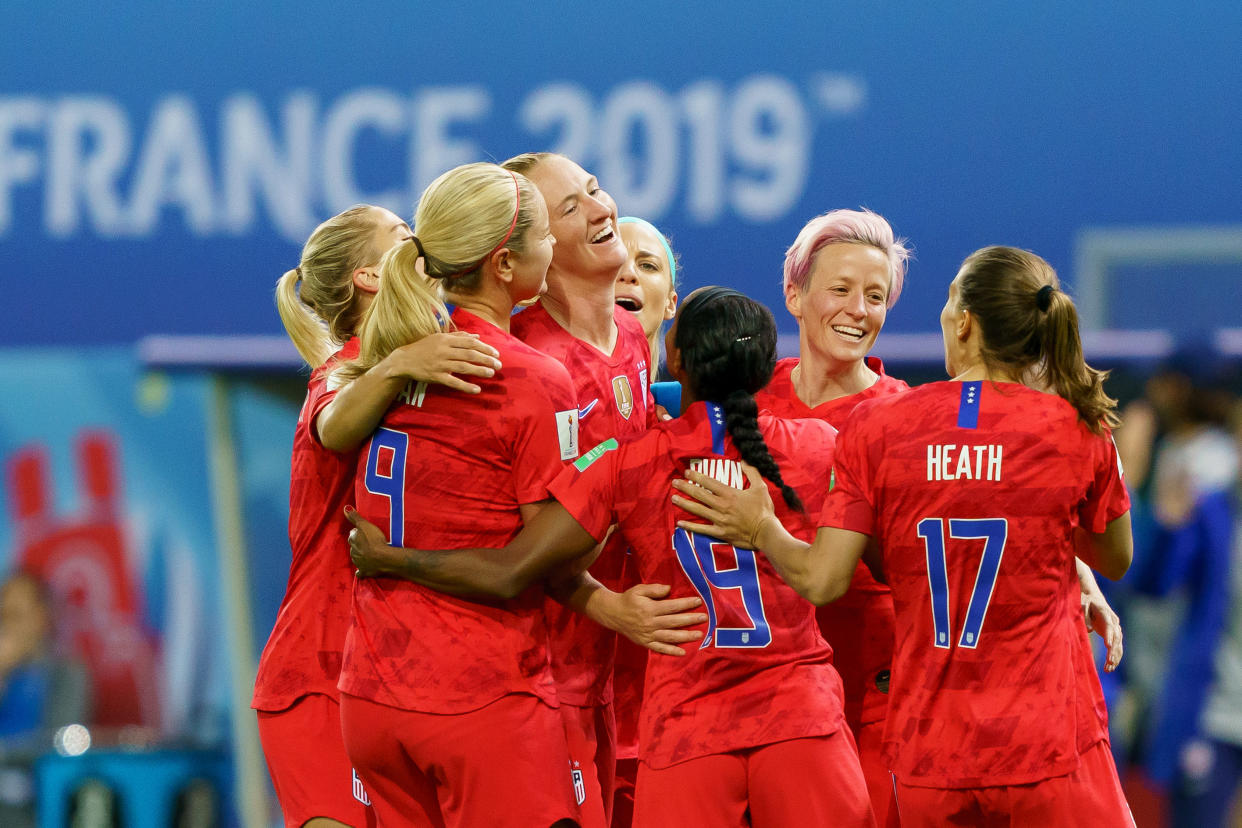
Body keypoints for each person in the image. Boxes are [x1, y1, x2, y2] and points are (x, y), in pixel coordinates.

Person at [348, 286, 876, 828]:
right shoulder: (820, 445)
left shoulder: (631, 465)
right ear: (767, 369)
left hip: (689, 732)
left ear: (674, 359)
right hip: (802, 722)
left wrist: (394, 558)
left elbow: (512, 571)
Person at [673, 246, 1135, 826]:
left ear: (963, 321)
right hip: (1048, 738)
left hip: (929, 746)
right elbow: (1112, 555)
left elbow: (823, 578)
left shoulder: (881, 427)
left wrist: (761, 527)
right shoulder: (1078, 429)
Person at [335, 161, 640, 828]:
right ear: (505, 265)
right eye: (544, 237)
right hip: (476, 696)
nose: (554, 248)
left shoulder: (386, 354)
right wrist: (622, 475)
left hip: (372, 698)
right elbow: (523, 568)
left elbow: (333, 431)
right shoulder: (529, 375)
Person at [255, 203, 502, 828]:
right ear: (369, 275)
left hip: (398, 680)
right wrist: (395, 365)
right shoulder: (344, 370)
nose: (422, 243)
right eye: (403, 235)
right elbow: (335, 427)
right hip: (317, 670)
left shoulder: (434, 365)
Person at [502, 153, 660, 827]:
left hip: (616, 683)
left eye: (595, 189)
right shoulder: (526, 361)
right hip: (539, 681)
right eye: (571, 208)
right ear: (537, 249)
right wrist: (611, 610)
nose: (602, 209)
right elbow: (522, 540)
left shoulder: (631, 337)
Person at [753, 208, 909, 824]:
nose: (858, 310)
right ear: (794, 293)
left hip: (871, 692)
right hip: (762, 692)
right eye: (840, 289)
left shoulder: (906, 418)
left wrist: (1077, 574)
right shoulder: (748, 395)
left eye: (875, 296)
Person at [615, 216, 679, 376]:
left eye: (647, 266)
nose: (628, 273)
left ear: (670, 303)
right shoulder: (552, 387)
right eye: (614, 262)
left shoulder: (686, 400)